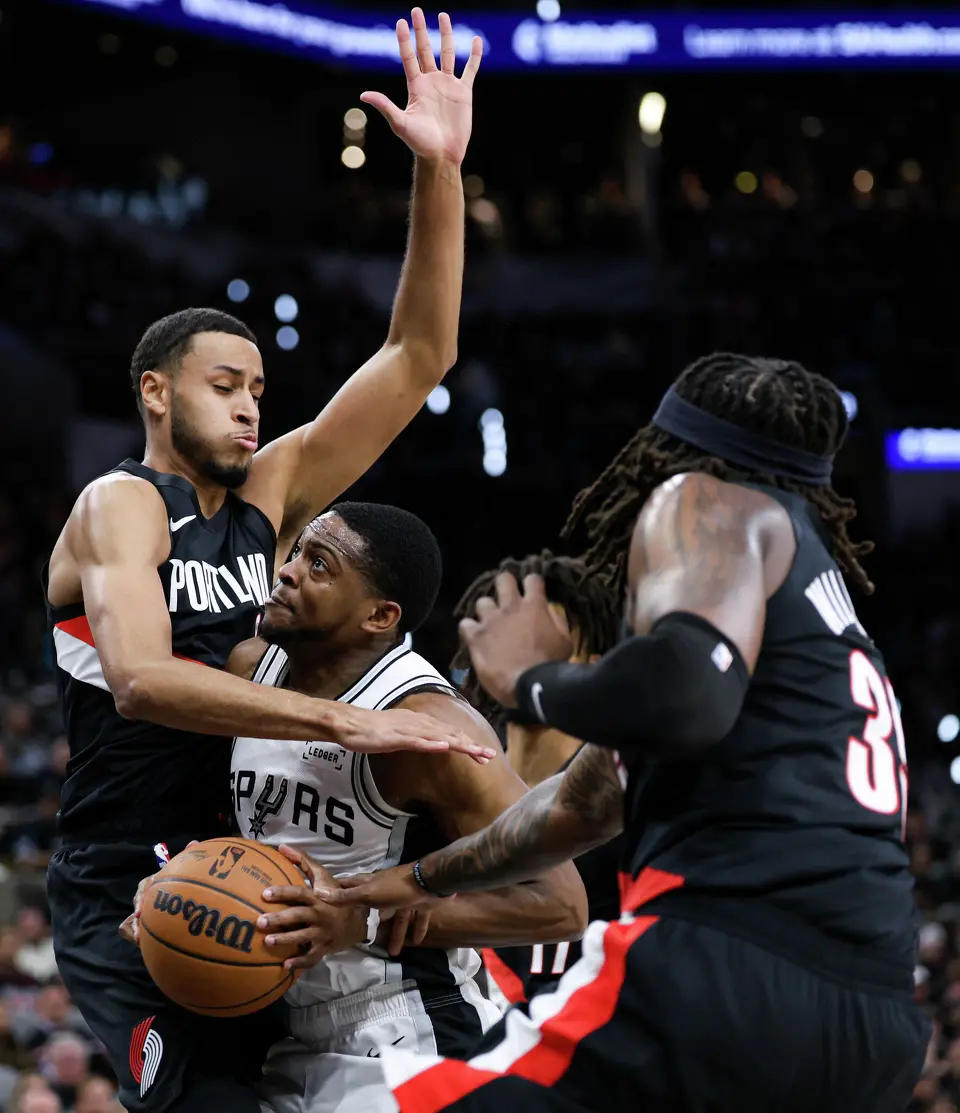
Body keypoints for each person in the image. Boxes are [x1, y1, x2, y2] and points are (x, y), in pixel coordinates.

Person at [43, 12, 489, 1113]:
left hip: (252, 864)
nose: (249, 407)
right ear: (156, 391)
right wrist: (349, 721)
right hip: (131, 881)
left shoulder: (272, 499)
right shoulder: (121, 504)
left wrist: (437, 171)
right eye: (222, 385)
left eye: (257, 390)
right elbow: (143, 680)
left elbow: (418, 354)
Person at [323, 354, 931, 1113]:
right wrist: (417, 880)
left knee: (382, 1105)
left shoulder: (713, 500)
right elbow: (572, 811)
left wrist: (528, 679)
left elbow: (686, 693)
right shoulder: (824, 638)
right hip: (874, 1026)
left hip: (728, 965)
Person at [130, 502, 587, 1113]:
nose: (288, 571)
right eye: (295, 555)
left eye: (319, 565)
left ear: (379, 616)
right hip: (286, 1030)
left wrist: (360, 920)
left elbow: (560, 904)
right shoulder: (249, 671)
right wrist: (173, 889)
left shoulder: (431, 731)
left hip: (411, 1030)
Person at [451, 552, 621, 1006]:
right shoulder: (451, 778)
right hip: (464, 1038)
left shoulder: (626, 788)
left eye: (543, 642)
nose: (518, 659)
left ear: (597, 666)